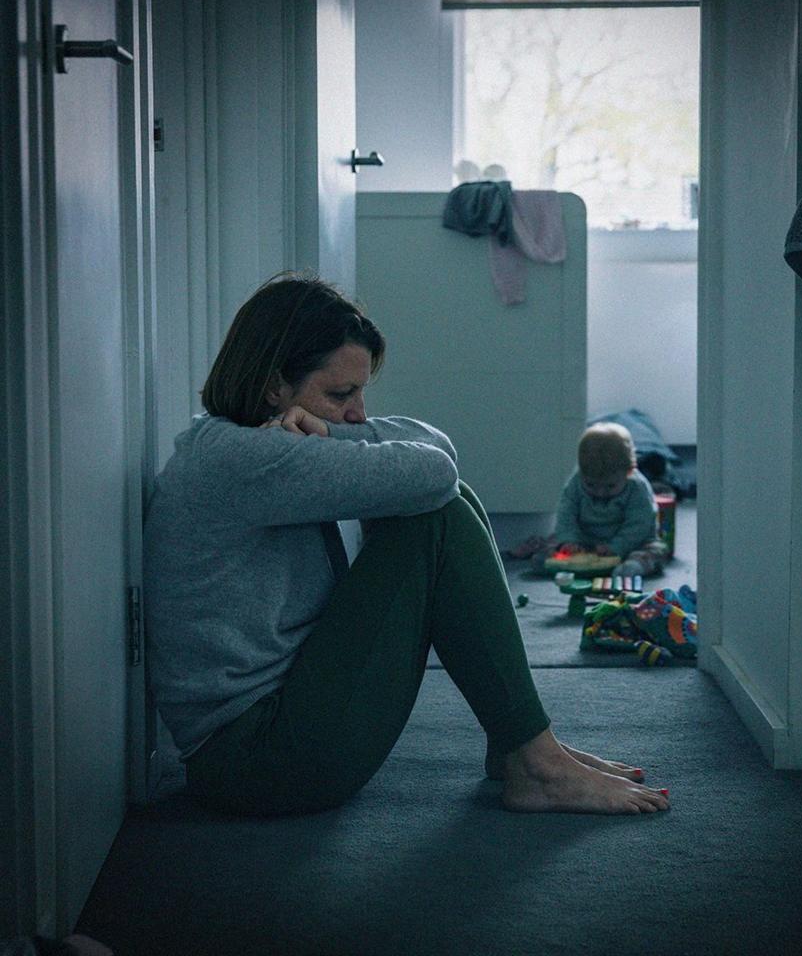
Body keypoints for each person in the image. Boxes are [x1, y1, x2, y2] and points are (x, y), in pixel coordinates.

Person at [143, 273, 669, 817]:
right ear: (276, 387)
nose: (358, 413)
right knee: (433, 518)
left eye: (362, 392)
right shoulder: (248, 458)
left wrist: (333, 431)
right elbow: (434, 472)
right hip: (258, 759)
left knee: (441, 502)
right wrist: (343, 440)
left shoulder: (240, 445)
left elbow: (439, 456)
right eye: (341, 394)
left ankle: (524, 747)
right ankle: (533, 759)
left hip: (270, 731)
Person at [550, 423, 667, 578]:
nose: (600, 493)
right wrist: (569, 541)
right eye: (591, 484)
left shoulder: (637, 488)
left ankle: (632, 568)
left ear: (629, 472)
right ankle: (555, 562)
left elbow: (639, 524)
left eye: (610, 486)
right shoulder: (575, 482)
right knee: (552, 544)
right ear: (581, 471)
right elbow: (566, 514)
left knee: (656, 550)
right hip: (585, 542)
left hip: (630, 545)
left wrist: (616, 547)